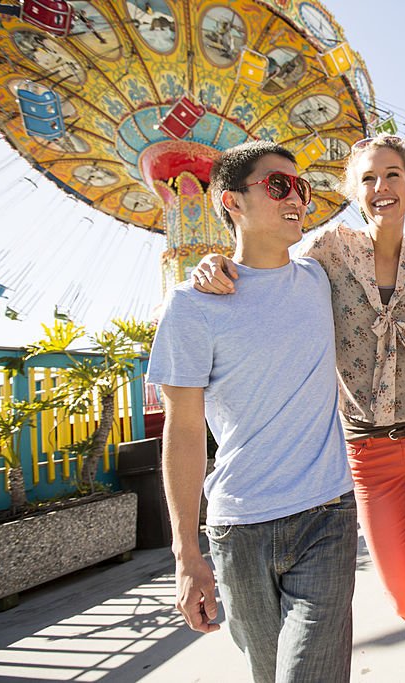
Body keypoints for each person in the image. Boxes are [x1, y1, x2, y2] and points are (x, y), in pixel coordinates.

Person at [191, 135, 405, 682]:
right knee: (404, 594)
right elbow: (263, 270)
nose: (382, 187)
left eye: (393, 174)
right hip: (367, 452)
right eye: (369, 178)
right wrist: (213, 263)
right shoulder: (326, 253)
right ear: (354, 191)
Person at [147, 140, 358, 682]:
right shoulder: (192, 307)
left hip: (326, 515)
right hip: (238, 530)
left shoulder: (320, 278)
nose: (298, 200)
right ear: (231, 201)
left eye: (303, 188)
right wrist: (185, 554)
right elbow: (185, 430)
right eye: (279, 185)